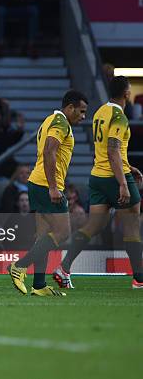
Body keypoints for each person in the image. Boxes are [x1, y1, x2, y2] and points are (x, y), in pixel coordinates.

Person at [53, 77, 143, 289]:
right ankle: (139, 279)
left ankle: (63, 267)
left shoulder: (101, 112)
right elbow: (113, 149)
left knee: (94, 225)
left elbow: (106, 149)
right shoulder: (119, 116)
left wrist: (128, 166)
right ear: (127, 94)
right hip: (114, 177)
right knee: (132, 227)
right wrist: (123, 182)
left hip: (98, 177)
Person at [8, 90, 88, 296]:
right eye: (81, 111)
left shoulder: (50, 120)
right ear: (69, 108)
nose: (83, 116)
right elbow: (49, 150)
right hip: (46, 185)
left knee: (43, 236)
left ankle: (39, 284)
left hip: (37, 182)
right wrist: (53, 187)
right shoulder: (61, 123)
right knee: (63, 232)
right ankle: (19, 266)